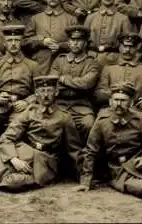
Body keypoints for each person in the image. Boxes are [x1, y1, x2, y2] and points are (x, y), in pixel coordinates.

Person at [0, 25, 38, 164]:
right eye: (10, 40)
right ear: (4, 43)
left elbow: (39, 92)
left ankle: (18, 161)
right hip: (0, 106)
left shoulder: (32, 65)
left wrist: (27, 102)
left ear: (21, 42)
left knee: (18, 123)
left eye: (16, 40)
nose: (13, 44)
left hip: (21, 106)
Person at [50, 25, 102, 176]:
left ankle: (87, 167)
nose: (75, 44)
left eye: (79, 40)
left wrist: (64, 79)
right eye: (73, 40)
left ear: (86, 43)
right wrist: (75, 83)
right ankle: (58, 166)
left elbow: (86, 84)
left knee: (89, 124)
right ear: (68, 42)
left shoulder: (92, 62)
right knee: (51, 124)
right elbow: (53, 82)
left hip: (82, 105)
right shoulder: (59, 60)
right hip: (59, 104)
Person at [95, 32, 142, 113]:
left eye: (131, 47)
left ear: (137, 48)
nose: (127, 50)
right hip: (111, 111)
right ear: (119, 47)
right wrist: (116, 93)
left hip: (138, 111)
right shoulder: (109, 68)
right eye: (125, 46)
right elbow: (98, 93)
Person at [23, 0, 78, 75]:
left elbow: (79, 43)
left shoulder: (71, 19)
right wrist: (42, 41)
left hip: (63, 66)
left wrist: (60, 46)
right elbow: (24, 42)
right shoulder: (35, 18)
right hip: (40, 65)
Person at [84, 0, 134, 66]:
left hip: (113, 61)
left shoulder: (123, 19)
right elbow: (83, 41)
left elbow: (127, 44)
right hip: (91, 59)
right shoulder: (90, 18)